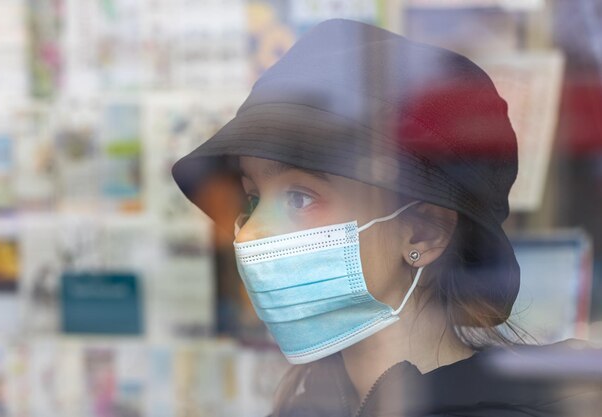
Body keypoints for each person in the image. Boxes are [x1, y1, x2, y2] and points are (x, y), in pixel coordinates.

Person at [172, 18, 601, 417]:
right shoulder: (311, 404)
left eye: (301, 198)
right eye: (252, 199)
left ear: (424, 231)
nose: (249, 234)